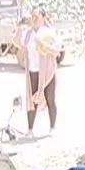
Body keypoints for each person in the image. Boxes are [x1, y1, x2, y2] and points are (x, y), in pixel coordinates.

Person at [14, 8, 60, 139]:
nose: (34, 18)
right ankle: (30, 130)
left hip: (47, 70)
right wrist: (19, 27)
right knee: (31, 100)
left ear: (43, 17)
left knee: (50, 98)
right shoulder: (28, 33)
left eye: (37, 16)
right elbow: (17, 43)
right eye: (32, 16)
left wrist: (44, 46)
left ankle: (52, 127)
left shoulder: (49, 32)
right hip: (33, 70)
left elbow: (56, 50)